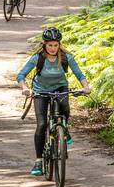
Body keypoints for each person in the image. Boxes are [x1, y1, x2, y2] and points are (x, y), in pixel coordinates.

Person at [15, 27, 90, 176]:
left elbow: (79, 74)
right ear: (44, 44)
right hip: (40, 90)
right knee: (42, 124)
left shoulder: (66, 57)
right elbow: (21, 75)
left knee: (65, 107)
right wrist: (25, 88)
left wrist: (86, 87)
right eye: (50, 45)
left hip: (60, 87)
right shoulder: (37, 58)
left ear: (59, 45)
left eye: (56, 45)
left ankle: (64, 129)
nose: (53, 48)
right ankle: (38, 160)